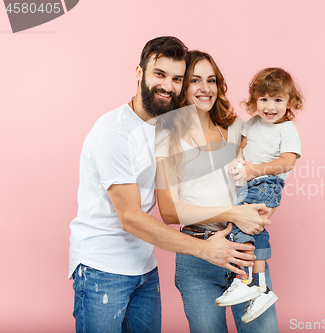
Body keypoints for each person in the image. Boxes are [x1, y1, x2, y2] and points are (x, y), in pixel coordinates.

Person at [69, 37, 267, 333]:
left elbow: (209, 170)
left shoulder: (166, 128)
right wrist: (204, 249)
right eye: (159, 74)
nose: (168, 86)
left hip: (144, 268)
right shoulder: (113, 134)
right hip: (102, 269)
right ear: (139, 72)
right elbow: (131, 218)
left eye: (176, 78)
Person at [155, 51, 279, 332]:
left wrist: (263, 208)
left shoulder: (235, 129)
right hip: (197, 256)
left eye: (211, 80)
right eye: (195, 80)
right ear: (182, 86)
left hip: (243, 250)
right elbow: (169, 211)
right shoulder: (166, 136)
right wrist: (234, 211)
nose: (205, 88)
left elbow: (265, 170)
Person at [215, 67, 303, 323]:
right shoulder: (251, 124)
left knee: (242, 227)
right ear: (254, 101)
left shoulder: (286, 130)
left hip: (267, 183)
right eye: (263, 99)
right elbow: (242, 148)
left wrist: (255, 170)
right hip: (249, 184)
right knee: (253, 230)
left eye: (277, 99)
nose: (270, 106)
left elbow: (287, 162)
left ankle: (245, 280)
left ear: (290, 102)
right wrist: (239, 162)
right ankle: (260, 287)